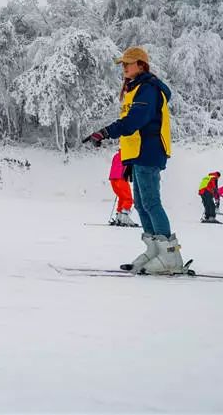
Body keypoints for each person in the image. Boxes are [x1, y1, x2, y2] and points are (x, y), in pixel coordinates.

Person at [83, 46, 180, 274]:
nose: (124, 67)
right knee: (141, 204)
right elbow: (133, 128)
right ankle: (155, 250)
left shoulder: (147, 89)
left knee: (151, 203)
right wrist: (128, 160)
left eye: (128, 63)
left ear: (141, 65)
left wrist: (105, 132)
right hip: (138, 154)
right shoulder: (136, 89)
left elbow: (134, 121)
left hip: (149, 151)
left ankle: (169, 255)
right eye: (123, 64)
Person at [108, 151, 137, 227]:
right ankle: (124, 217)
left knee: (122, 198)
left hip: (113, 179)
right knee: (128, 199)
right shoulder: (128, 155)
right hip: (121, 178)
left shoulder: (116, 155)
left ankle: (119, 217)